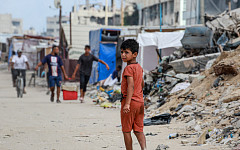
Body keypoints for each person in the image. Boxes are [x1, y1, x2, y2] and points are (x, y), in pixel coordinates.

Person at [120, 39, 146, 150]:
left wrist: (127, 104)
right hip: (140, 102)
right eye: (121, 52)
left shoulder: (128, 69)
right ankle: (144, 148)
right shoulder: (139, 68)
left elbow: (131, 86)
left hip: (130, 102)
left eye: (126, 52)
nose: (123, 55)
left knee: (126, 130)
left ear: (134, 54)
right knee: (138, 130)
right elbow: (142, 84)